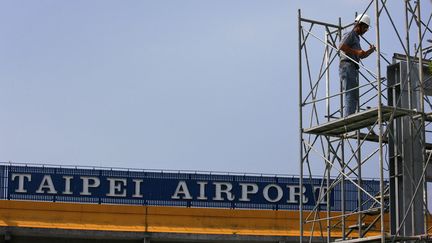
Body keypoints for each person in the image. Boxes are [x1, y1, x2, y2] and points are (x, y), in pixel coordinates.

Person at [339, 14, 376, 116]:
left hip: (352, 67)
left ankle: (350, 115)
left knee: (354, 94)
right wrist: (356, 52)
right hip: (347, 66)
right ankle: (348, 118)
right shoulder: (350, 34)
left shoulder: (356, 38)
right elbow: (341, 46)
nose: (365, 30)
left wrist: (369, 51)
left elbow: (360, 55)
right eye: (365, 28)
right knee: (350, 93)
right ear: (359, 25)